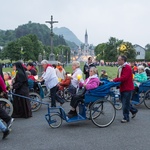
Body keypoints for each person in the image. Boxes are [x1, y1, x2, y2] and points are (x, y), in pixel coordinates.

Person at [113, 55, 138, 123]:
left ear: (123, 60)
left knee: (125, 104)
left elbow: (124, 78)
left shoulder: (126, 67)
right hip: (123, 87)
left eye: (119, 60)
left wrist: (115, 80)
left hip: (127, 88)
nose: (117, 61)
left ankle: (126, 117)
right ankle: (133, 110)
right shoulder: (122, 67)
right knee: (125, 102)